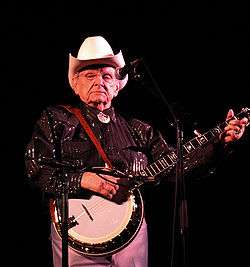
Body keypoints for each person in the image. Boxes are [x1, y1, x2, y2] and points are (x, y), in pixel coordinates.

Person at [24, 35, 249, 267]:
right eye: (90, 75)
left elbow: (176, 167)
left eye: (107, 75)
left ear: (117, 87)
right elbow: (36, 169)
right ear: (75, 84)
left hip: (131, 234)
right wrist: (84, 179)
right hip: (77, 232)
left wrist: (220, 142)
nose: (99, 81)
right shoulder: (56, 119)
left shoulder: (139, 129)